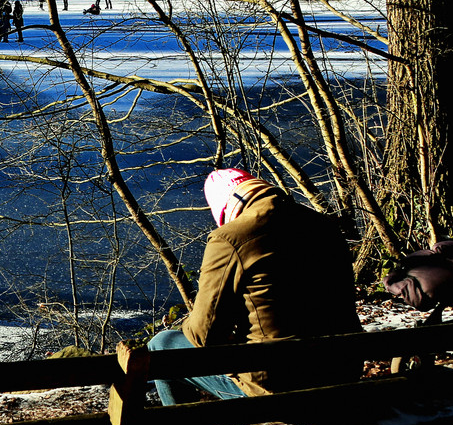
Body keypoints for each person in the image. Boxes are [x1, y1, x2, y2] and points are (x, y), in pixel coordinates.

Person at [146, 169, 362, 404]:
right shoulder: (324, 225)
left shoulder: (231, 238)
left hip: (280, 388)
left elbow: (203, 335)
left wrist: (191, 321)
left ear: (225, 208)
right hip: (343, 371)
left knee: (162, 345)